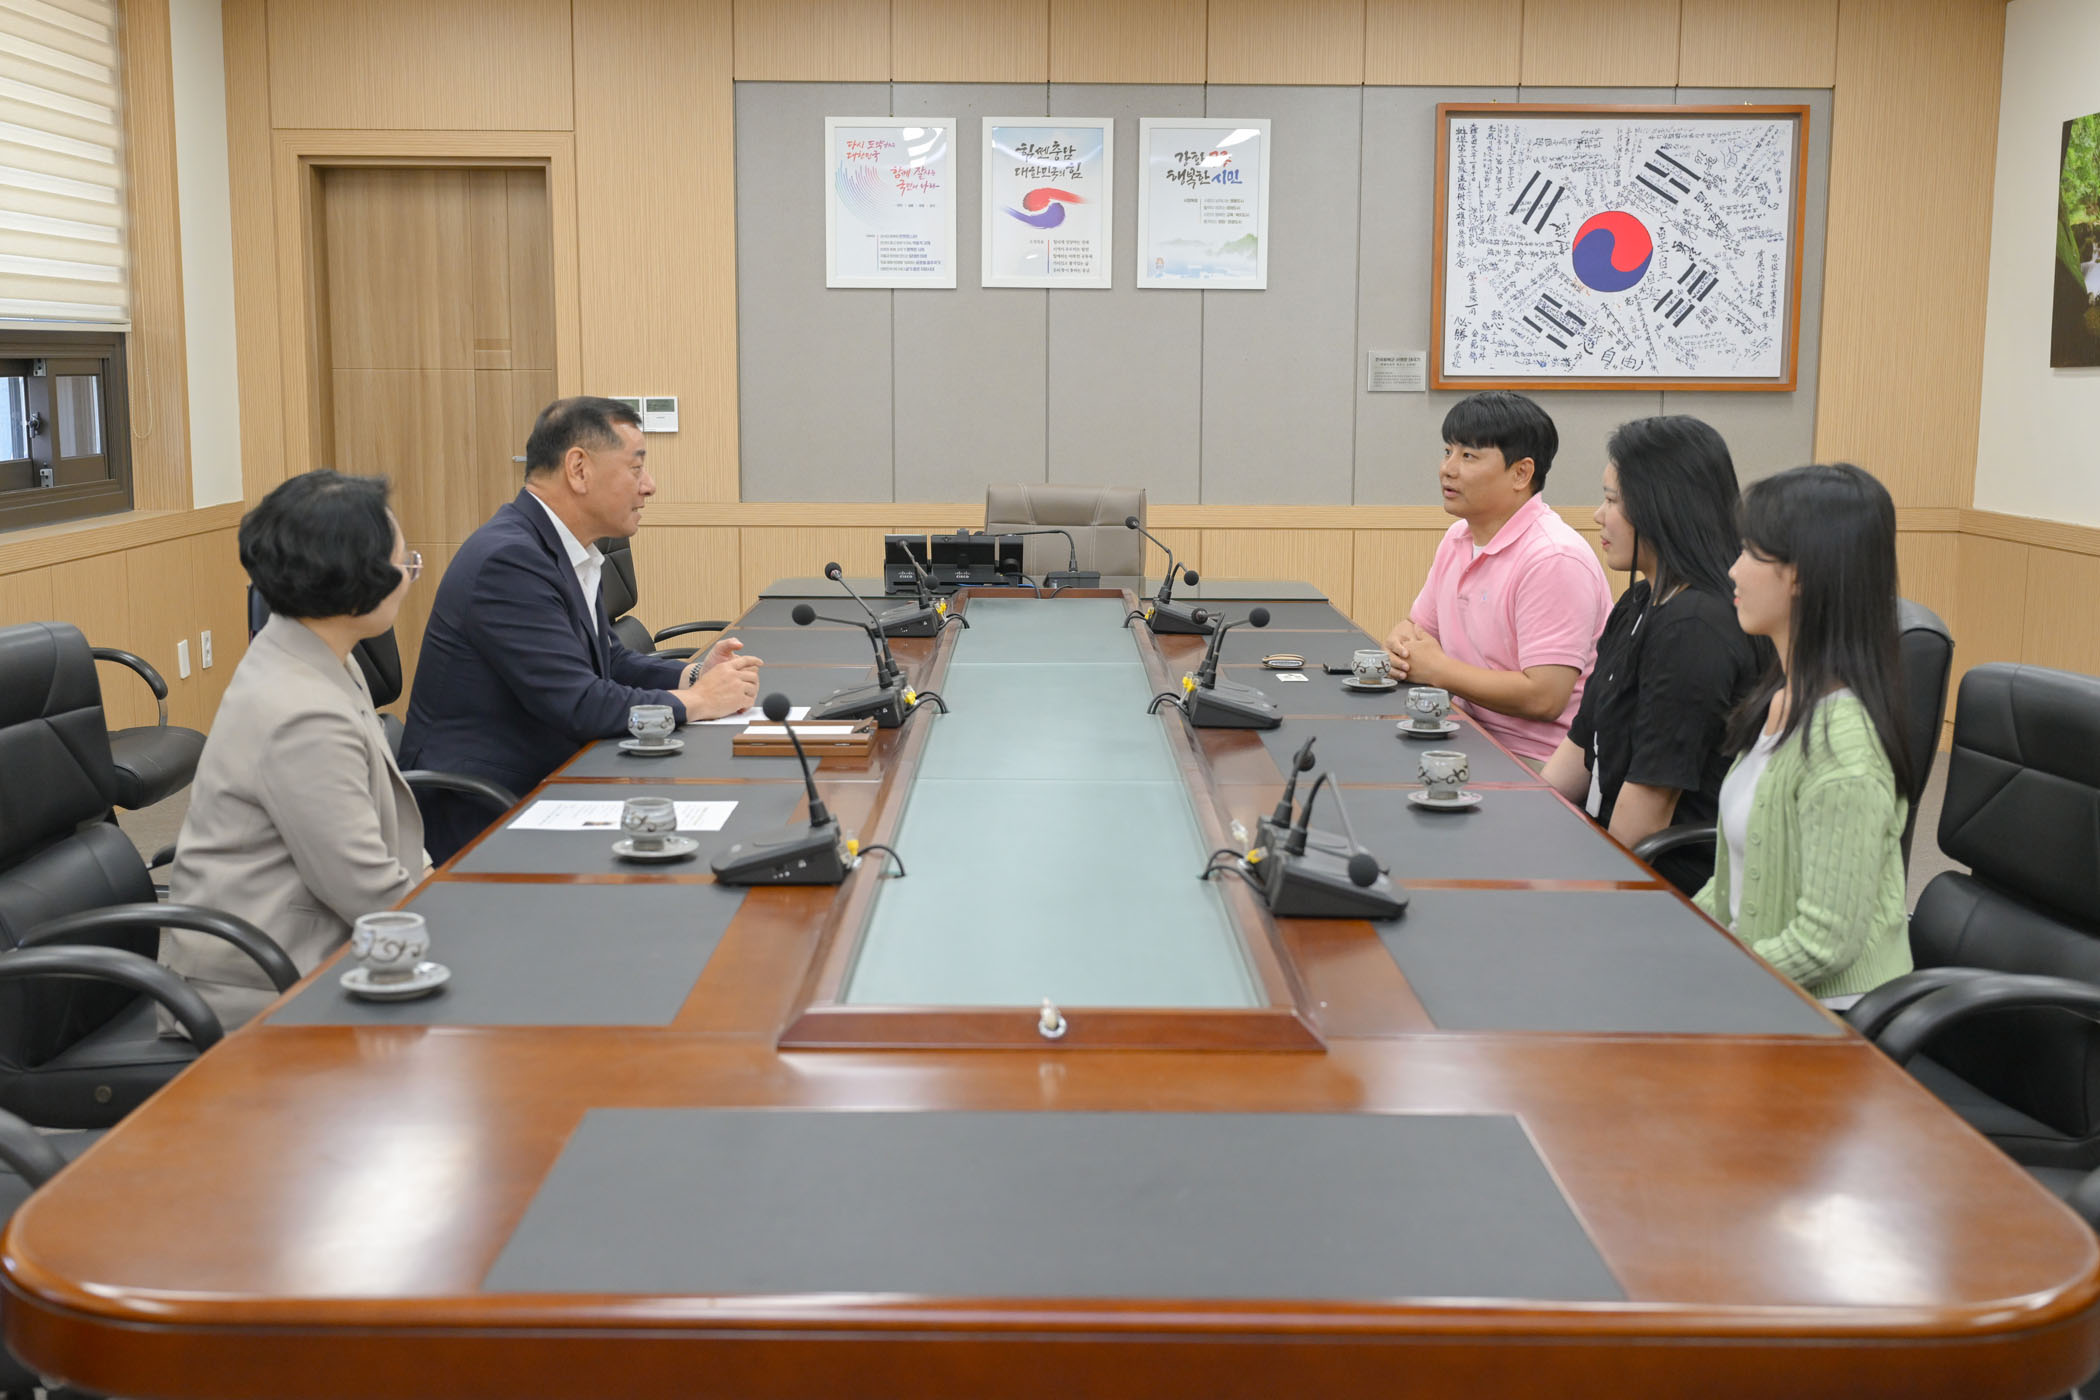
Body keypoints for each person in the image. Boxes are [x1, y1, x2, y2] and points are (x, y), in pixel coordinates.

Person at [401, 397, 762, 861]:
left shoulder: (561, 547)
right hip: (486, 811)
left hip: (554, 780)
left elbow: (607, 660)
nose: (649, 486)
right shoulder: (509, 560)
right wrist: (698, 702)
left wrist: (691, 675)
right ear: (578, 469)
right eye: (636, 468)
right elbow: (579, 702)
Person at [161, 471, 431, 1030]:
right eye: (405, 564)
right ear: (359, 582)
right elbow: (367, 892)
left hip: (314, 946)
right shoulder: (301, 713)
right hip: (266, 982)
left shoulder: (313, 649)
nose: (409, 578)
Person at [1693, 463, 1914, 1007]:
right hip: (1761, 984)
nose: (1732, 571)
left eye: (1750, 552)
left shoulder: (1845, 747)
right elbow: (1735, 883)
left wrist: (1707, 979)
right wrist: (1671, 941)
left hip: (1825, 1018)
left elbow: (1823, 946)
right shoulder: (1780, 700)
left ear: (1801, 576)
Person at [1542, 417, 1766, 892]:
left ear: (1661, 508)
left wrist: (1571, 890)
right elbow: (1580, 747)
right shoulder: (1640, 601)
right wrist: (1521, 827)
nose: (1598, 515)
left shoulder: (1696, 628)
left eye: (1611, 500)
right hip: (1606, 845)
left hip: (1670, 882)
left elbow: (1647, 813)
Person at [1384, 391, 1613, 762]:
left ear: (1521, 473)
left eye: (1468, 456)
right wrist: (1401, 648)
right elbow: (1418, 629)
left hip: (1536, 759)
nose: (1448, 469)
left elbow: (1545, 697)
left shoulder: (1553, 557)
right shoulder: (1458, 538)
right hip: (1463, 732)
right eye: (1448, 451)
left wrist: (1439, 670)